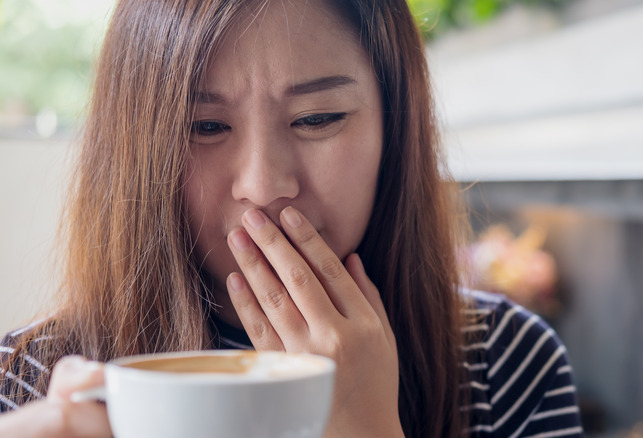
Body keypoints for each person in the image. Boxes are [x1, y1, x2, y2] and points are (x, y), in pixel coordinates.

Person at [0, 0, 584, 436]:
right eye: (205, 127)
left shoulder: (507, 364)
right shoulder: (24, 380)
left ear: (395, 127)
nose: (261, 186)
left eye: (317, 118)